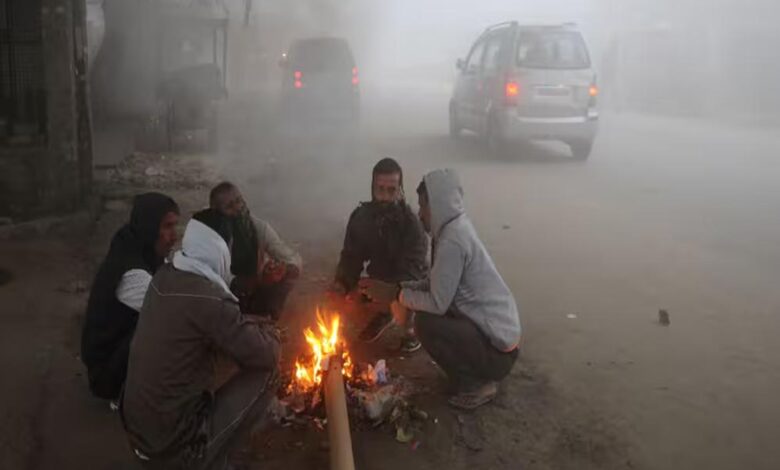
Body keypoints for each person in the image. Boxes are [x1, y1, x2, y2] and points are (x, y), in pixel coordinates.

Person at [121, 209, 280, 470]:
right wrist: (271, 334)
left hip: (140, 438)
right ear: (220, 249)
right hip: (173, 451)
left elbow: (207, 321)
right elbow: (267, 355)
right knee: (269, 371)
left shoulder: (165, 274)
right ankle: (216, 462)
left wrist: (245, 323)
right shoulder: (211, 300)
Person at [360, 169, 521, 410]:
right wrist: (399, 288)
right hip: (495, 342)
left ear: (437, 206)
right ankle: (469, 375)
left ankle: (478, 384)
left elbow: (437, 302)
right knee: (429, 316)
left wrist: (395, 295)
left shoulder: (452, 241)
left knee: (426, 323)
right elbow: (435, 283)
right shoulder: (451, 229)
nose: (420, 213)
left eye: (423, 206)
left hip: (498, 354)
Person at [80, 192, 180, 402]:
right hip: (107, 376)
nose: (174, 236)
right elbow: (176, 313)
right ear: (149, 228)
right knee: (170, 327)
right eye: (167, 227)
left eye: (175, 226)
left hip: (117, 355)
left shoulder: (136, 246)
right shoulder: (131, 272)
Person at [331, 157, 429, 352]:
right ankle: (384, 314)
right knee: (348, 300)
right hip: (380, 277)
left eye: (391, 190)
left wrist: (390, 294)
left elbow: (413, 270)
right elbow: (351, 256)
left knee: (405, 301)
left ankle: (411, 330)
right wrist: (342, 284)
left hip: (411, 281)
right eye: (380, 189)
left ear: (400, 190)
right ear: (372, 188)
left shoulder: (412, 224)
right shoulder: (362, 217)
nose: (384, 197)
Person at [209, 182, 302, 321]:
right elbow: (219, 281)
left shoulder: (259, 228)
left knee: (284, 278)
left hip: (254, 289)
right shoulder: (211, 237)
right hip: (222, 296)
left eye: (239, 201)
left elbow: (291, 258)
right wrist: (258, 280)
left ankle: (267, 318)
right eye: (229, 207)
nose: (238, 208)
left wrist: (283, 270)